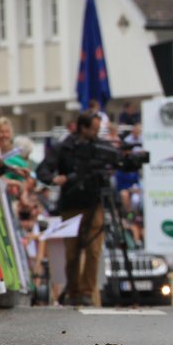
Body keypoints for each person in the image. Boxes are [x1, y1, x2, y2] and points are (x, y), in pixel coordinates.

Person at [35, 112, 111, 304]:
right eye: (93, 129)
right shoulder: (64, 147)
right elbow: (43, 169)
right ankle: (74, 292)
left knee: (94, 250)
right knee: (72, 251)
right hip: (71, 203)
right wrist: (54, 179)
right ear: (83, 128)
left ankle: (87, 292)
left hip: (94, 201)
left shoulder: (100, 146)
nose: (96, 133)